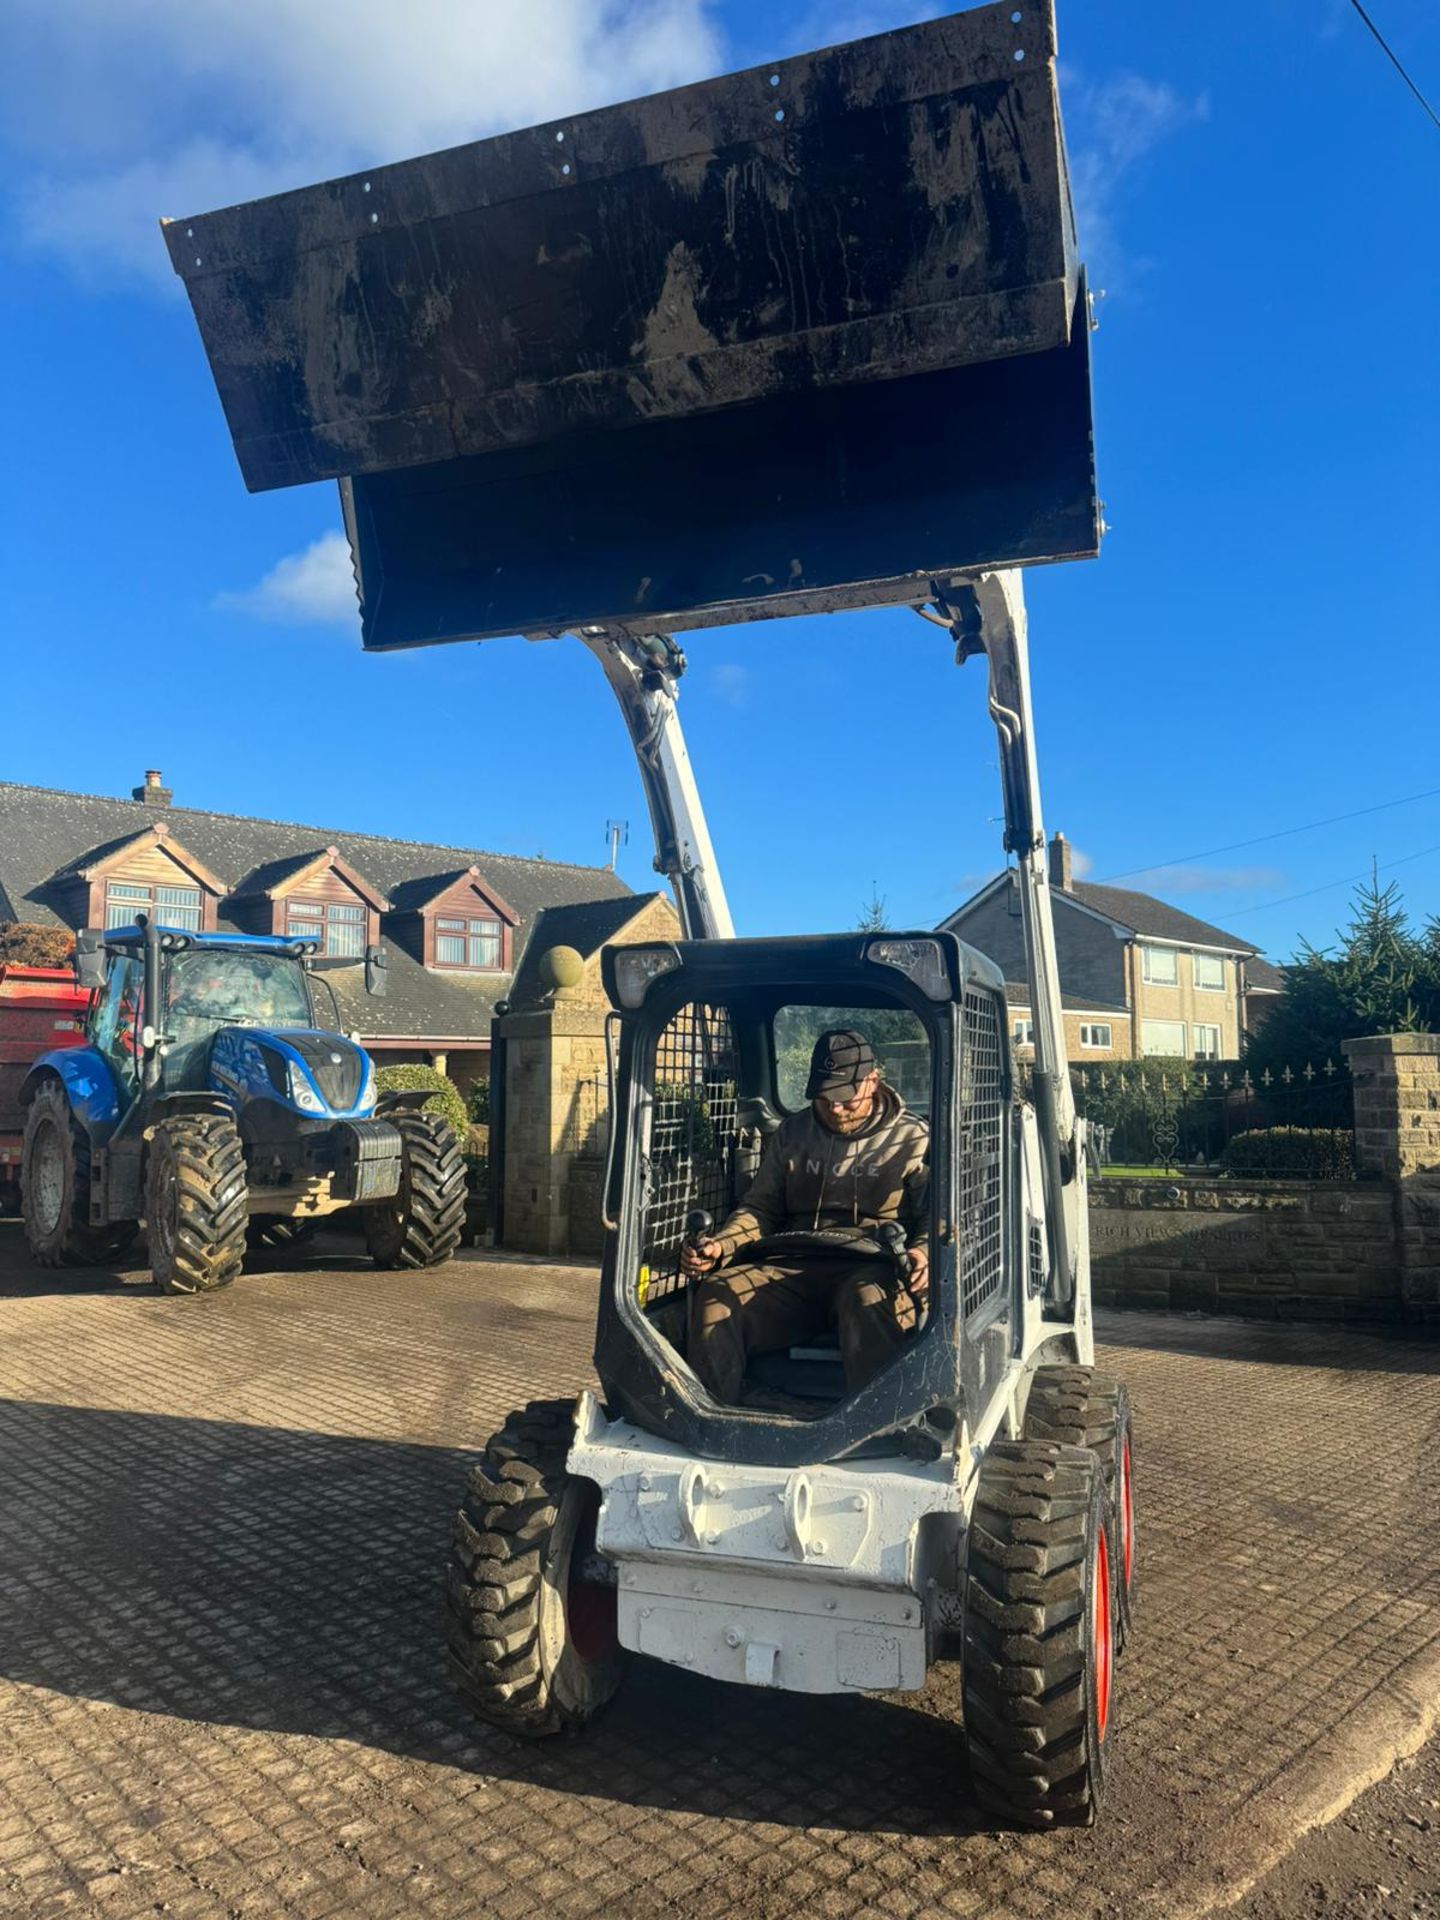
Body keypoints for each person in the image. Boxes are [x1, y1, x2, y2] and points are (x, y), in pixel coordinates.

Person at [683, 1028, 929, 1404]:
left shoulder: (913, 1140)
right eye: (824, 1096)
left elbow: (937, 1219)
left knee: (869, 1300)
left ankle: (881, 1421)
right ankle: (718, 1416)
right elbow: (760, 1208)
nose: (834, 1108)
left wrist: (924, 1253)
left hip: (871, 1265)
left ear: (873, 1081)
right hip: (792, 1263)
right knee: (717, 1293)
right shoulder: (792, 1133)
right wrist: (721, 1245)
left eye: (846, 1097)